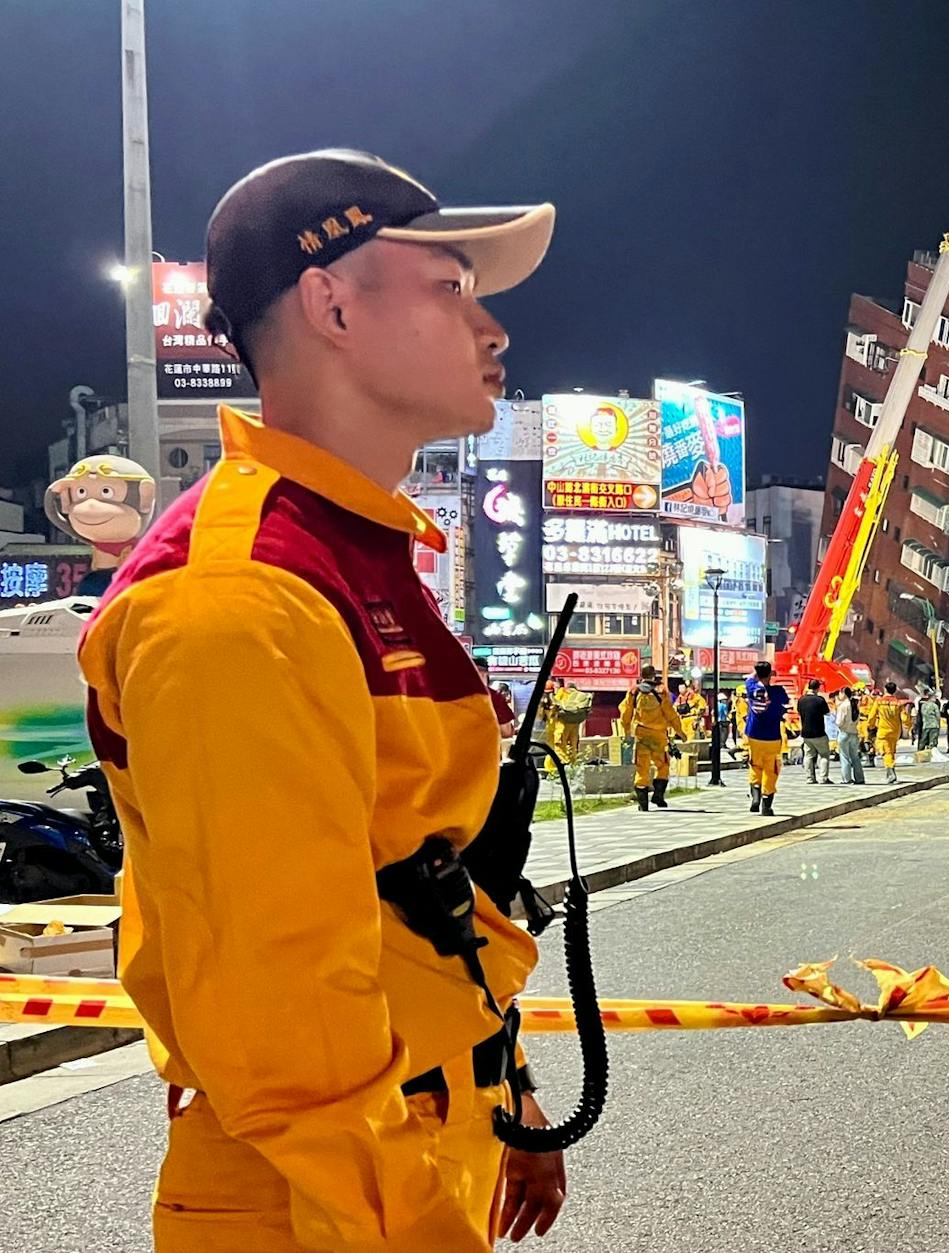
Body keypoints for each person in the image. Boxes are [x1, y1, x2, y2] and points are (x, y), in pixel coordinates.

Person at [76, 149, 566, 1248]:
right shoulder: (239, 597)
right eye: (450, 287)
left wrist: (502, 1077)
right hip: (317, 1194)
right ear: (331, 303)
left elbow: (405, 889)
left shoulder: (353, 552)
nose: (492, 330)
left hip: (407, 1131)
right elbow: (287, 1033)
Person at [622, 667, 685, 811]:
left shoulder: (634, 691)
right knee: (662, 765)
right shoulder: (661, 692)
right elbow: (670, 714)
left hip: (641, 734)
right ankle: (658, 795)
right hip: (658, 735)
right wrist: (680, 731)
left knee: (641, 767)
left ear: (641, 676)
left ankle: (643, 803)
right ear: (653, 676)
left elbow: (626, 713)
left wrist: (626, 730)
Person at [743, 661, 788, 815]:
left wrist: (757, 673)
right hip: (772, 736)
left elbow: (750, 678)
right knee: (771, 769)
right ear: (770, 674)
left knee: (755, 765)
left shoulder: (751, 689)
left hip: (754, 734)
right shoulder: (778, 691)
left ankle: (755, 797)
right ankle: (766, 805)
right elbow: (786, 704)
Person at [797, 678, 836, 785]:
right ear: (818, 688)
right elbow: (827, 713)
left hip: (806, 733)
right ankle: (823, 778)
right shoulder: (820, 700)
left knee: (808, 755)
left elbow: (800, 713)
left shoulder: (801, 700)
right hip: (819, 732)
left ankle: (809, 778)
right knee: (824, 755)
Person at [871, 681, 909, 782]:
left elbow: (872, 715)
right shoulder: (898, 703)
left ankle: (890, 771)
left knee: (885, 751)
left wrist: (870, 726)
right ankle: (890, 770)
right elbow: (905, 718)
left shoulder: (879, 702)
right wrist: (908, 727)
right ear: (895, 691)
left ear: (885, 689)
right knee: (891, 752)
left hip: (883, 731)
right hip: (895, 732)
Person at [476, 657, 518, 741]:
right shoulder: (493, 697)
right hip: (485, 750)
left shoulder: (451, 696)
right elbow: (506, 731)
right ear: (485, 673)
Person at [835, 687, 867, 785]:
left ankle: (847, 779)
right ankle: (859, 778)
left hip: (844, 732)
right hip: (854, 732)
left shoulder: (843, 705)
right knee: (855, 757)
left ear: (843, 694)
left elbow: (839, 722)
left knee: (844, 757)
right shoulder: (855, 704)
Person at [919, 689, 943, 753]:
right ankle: (932, 753)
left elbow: (922, 714)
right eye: (934, 697)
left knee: (923, 740)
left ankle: (920, 752)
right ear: (931, 697)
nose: (935, 699)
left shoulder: (923, 706)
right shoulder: (934, 706)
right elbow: (938, 716)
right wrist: (939, 724)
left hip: (926, 725)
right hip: (934, 725)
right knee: (933, 741)